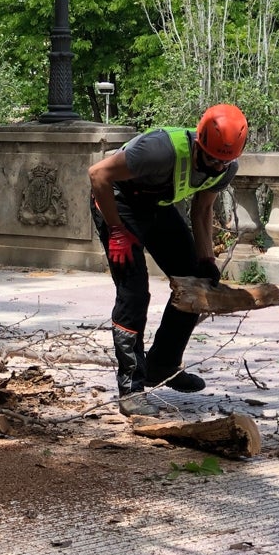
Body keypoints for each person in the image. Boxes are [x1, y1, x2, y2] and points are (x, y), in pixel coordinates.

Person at [88, 103, 249, 417]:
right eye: (213, 158)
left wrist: (206, 260)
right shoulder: (159, 151)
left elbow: (202, 210)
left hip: (156, 207)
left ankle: (162, 365)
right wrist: (117, 231)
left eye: (224, 161)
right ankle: (131, 387)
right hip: (117, 203)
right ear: (201, 143)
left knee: (197, 285)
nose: (217, 166)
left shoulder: (226, 168)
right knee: (134, 293)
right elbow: (98, 175)